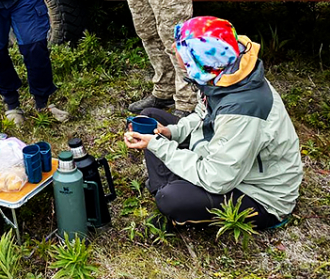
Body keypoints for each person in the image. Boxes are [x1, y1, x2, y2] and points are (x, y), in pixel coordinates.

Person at [123, 16, 303, 229]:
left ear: (201, 63)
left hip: (259, 195)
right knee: (151, 117)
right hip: (225, 160)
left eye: (185, 61)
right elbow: (202, 115)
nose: (183, 68)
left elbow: (217, 179)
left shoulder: (243, 110)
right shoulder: (226, 73)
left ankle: (170, 193)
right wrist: (170, 132)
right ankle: (170, 186)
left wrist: (157, 144)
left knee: (172, 199)